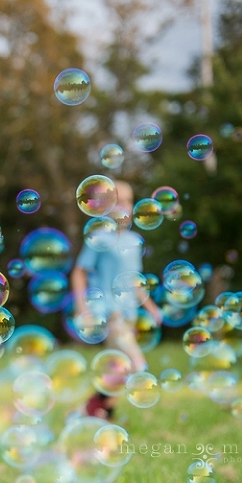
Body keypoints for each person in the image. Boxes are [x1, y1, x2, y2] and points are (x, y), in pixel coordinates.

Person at [70, 180, 162, 421]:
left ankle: (93, 412)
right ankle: (95, 411)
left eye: (128, 201)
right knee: (136, 364)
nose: (124, 206)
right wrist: (82, 307)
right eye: (117, 201)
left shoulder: (133, 242)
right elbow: (79, 272)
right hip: (108, 311)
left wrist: (151, 307)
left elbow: (135, 280)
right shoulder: (99, 238)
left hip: (129, 313)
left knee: (117, 367)